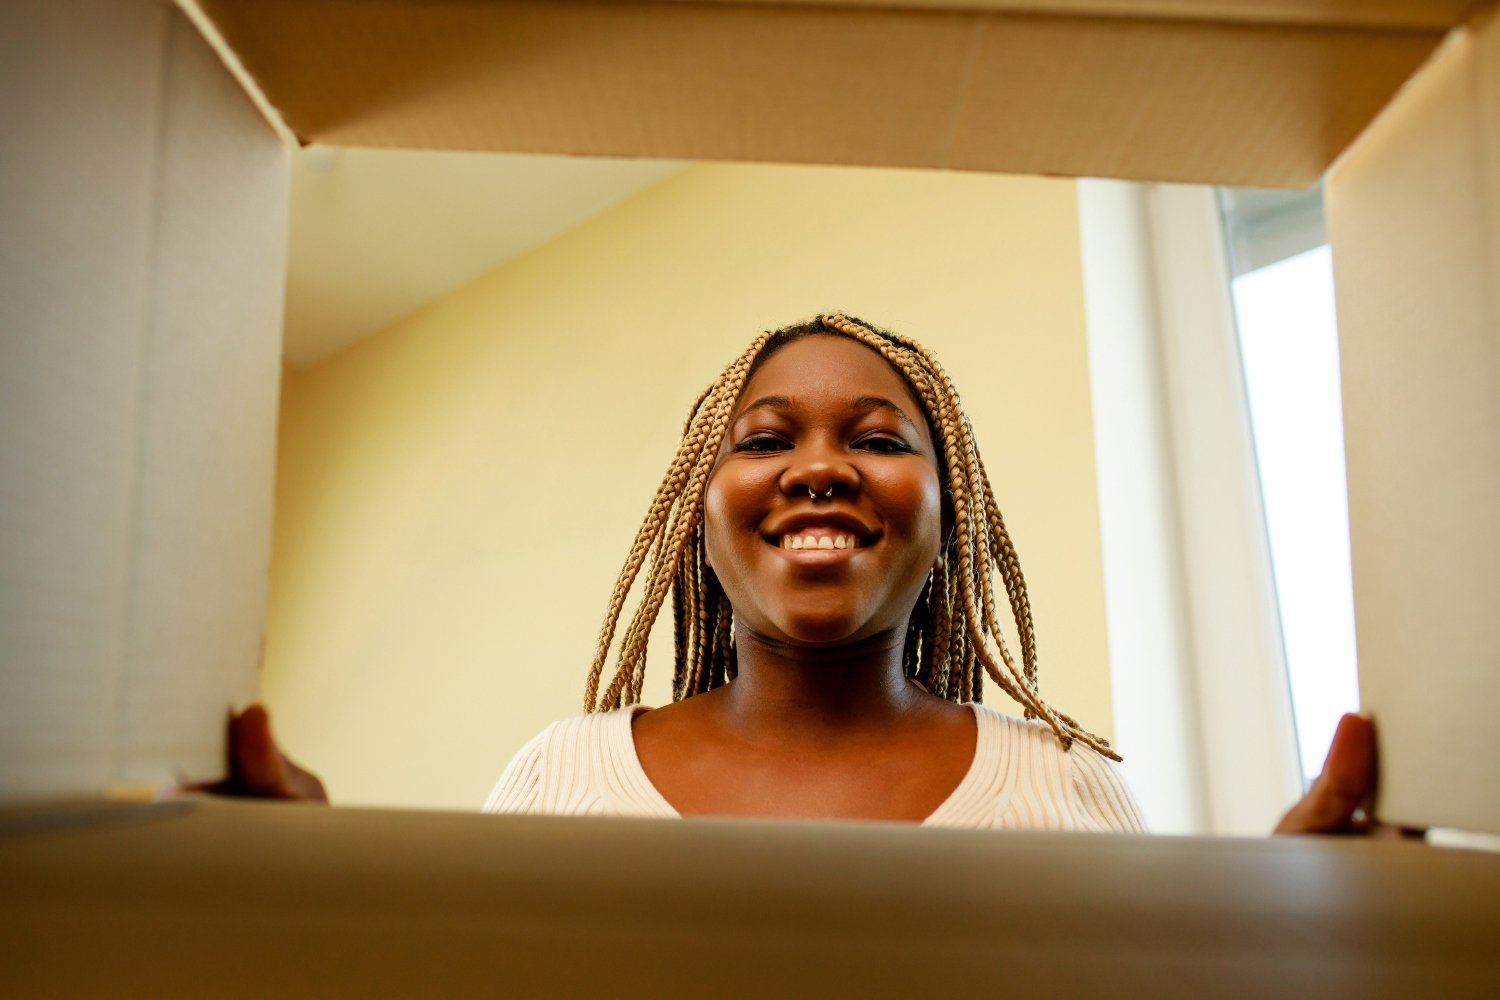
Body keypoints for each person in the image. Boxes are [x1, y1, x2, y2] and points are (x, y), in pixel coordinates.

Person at [215, 314, 1386, 836]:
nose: (819, 468)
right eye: (766, 439)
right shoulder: (559, 776)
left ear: (949, 514)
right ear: (696, 516)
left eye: (877, 439)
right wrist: (326, 906)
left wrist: (1288, 941)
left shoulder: (1066, 790)